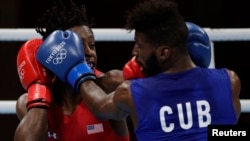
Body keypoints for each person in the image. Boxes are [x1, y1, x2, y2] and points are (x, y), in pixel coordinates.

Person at [37, 0, 241, 140]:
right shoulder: (229, 81)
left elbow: (100, 106)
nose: (134, 51)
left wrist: (74, 68)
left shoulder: (134, 93)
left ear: (163, 53)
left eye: (140, 46)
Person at [14, 1, 130, 141]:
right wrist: (39, 90)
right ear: (55, 53)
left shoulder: (111, 84)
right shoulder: (28, 103)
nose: (89, 52)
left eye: (92, 45)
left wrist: (78, 73)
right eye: (79, 46)